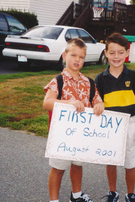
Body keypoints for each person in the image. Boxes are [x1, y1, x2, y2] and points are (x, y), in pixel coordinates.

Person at [43, 38, 105, 202]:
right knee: (58, 168)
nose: (77, 60)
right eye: (73, 55)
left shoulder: (89, 83)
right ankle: (54, 200)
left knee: (78, 165)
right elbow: (47, 103)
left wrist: (100, 105)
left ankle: (76, 195)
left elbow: (97, 100)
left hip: (81, 135)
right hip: (61, 136)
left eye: (81, 57)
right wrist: (67, 103)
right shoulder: (58, 81)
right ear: (65, 55)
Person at [95, 33, 135, 202]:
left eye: (120, 52)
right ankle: (113, 192)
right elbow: (96, 103)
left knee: (130, 162)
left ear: (127, 52)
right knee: (111, 161)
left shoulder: (134, 77)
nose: (116, 57)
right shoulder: (100, 79)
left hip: (131, 125)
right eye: (112, 52)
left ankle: (130, 193)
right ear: (106, 53)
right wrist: (98, 105)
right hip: (110, 127)